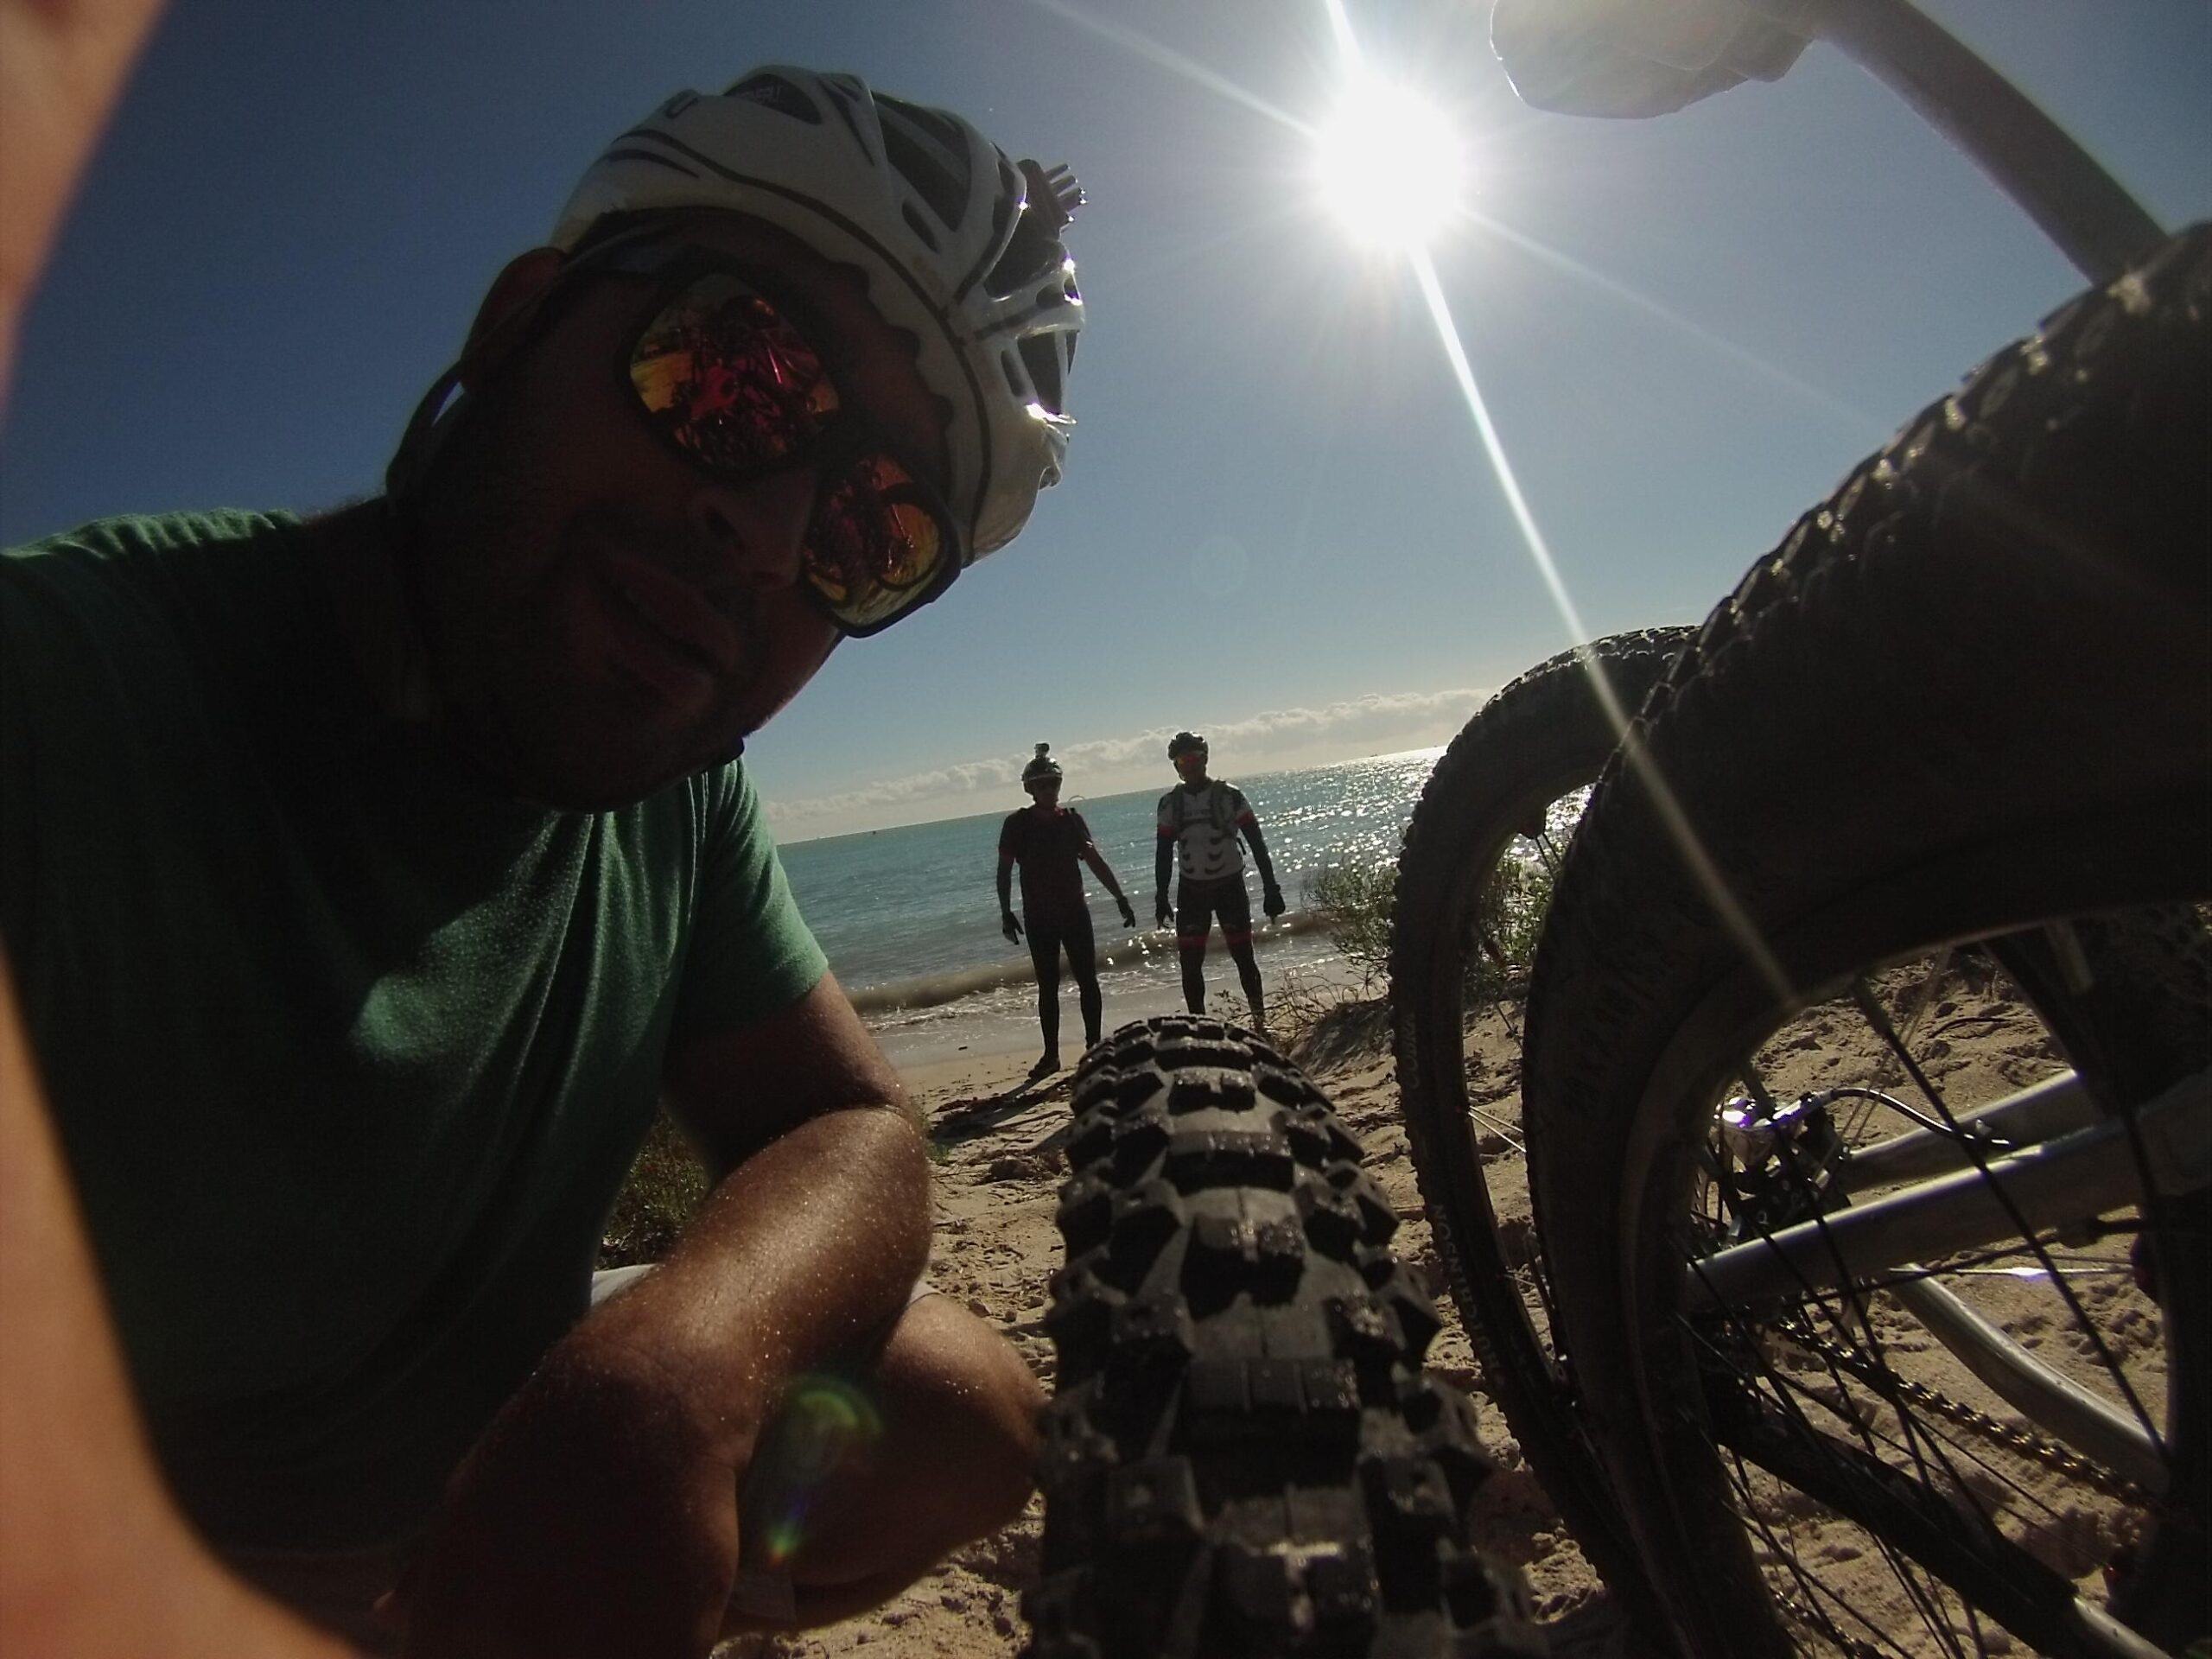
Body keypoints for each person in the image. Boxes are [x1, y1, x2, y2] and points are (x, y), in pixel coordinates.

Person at [0, 64, 1085, 1659]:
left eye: (874, 532)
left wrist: (674, 1378)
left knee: (965, 1415)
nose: (772, 535)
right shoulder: (67, 699)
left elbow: (852, 1127)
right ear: (519, 324)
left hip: (488, 1476)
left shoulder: (667, 793)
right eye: (733, 374)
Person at [995, 743, 1136, 1077]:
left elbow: (1094, 861)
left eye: (1054, 783)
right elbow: (1003, 870)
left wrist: (1120, 897)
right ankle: (1051, 1055)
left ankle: (1094, 1048)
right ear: (1029, 788)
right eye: (1042, 784)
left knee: (1088, 980)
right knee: (1048, 986)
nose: (1049, 790)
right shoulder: (1017, 824)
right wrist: (1005, 911)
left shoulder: (1072, 822)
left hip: (1075, 912)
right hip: (1039, 917)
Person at [1154, 731, 1285, 1035]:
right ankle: (1199, 1027)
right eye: (1182, 760)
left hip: (1230, 887)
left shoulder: (1231, 796)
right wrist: (1161, 895)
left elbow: (1257, 843)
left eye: (1194, 758)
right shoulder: (1169, 803)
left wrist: (1272, 887)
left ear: (1205, 759)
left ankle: (1259, 1024)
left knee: (1244, 958)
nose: (1189, 765)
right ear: (1175, 765)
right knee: (1190, 963)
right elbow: (1162, 853)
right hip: (1192, 891)